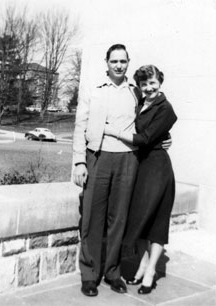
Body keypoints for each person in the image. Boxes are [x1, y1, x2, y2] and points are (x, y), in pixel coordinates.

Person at [73, 44, 171, 297]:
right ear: (106, 62)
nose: (118, 65)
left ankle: (112, 272)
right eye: (114, 61)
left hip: (128, 160)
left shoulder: (135, 92)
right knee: (93, 218)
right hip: (97, 158)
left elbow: (152, 118)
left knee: (119, 219)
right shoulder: (93, 90)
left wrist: (165, 138)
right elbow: (79, 127)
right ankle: (90, 274)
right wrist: (79, 162)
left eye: (123, 61)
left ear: (128, 63)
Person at [104, 65, 177, 295]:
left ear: (160, 82)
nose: (149, 88)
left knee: (156, 221)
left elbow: (144, 138)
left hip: (157, 169)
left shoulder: (166, 108)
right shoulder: (140, 102)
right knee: (141, 219)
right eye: (144, 84)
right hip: (140, 166)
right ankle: (143, 264)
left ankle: (151, 270)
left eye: (152, 82)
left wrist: (112, 131)